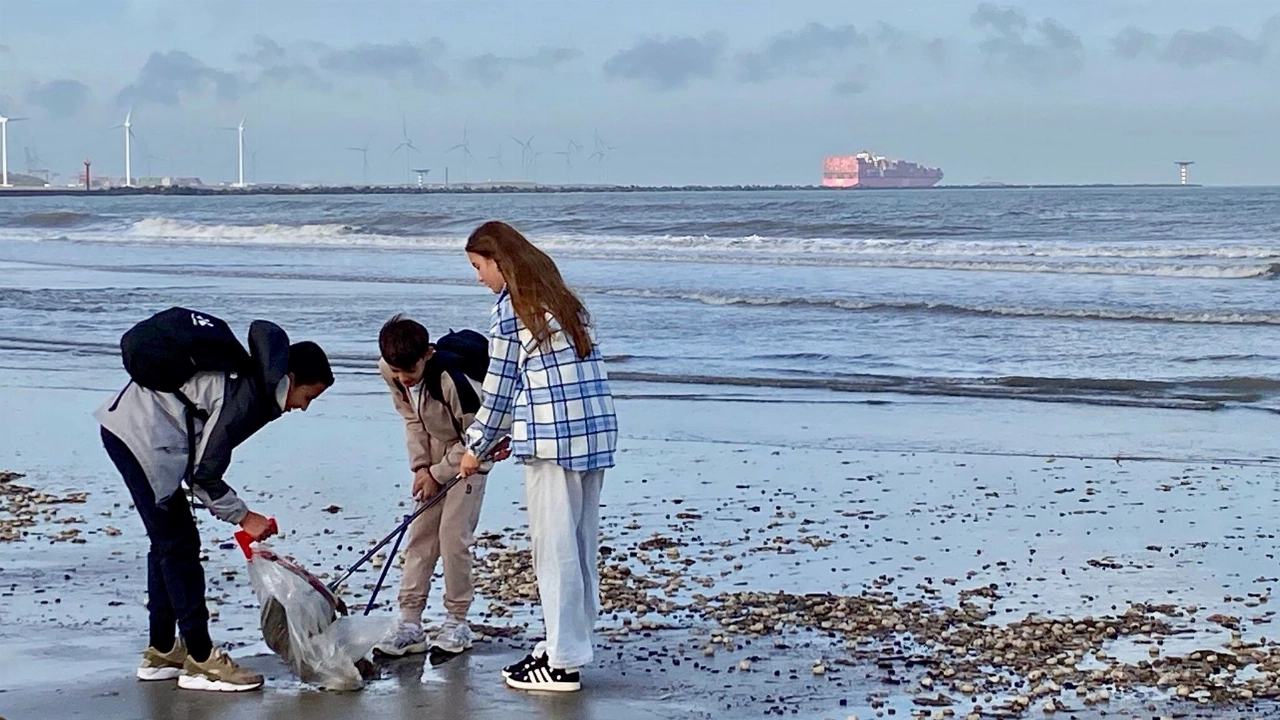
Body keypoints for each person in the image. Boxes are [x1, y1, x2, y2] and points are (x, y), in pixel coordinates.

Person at [96, 318, 333, 692]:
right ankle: (202, 659)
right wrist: (245, 517)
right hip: (139, 438)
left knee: (170, 543)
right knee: (178, 547)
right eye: (308, 397)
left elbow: (201, 461)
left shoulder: (247, 383)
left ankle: (161, 652)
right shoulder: (248, 397)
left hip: (130, 428)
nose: (302, 408)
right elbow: (204, 476)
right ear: (289, 379)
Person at [457, 220, 618, 693]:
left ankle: (563, 661)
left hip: (554, 442)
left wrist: (476, 447)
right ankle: (563, 644)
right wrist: (511, 434)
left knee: (555, 551)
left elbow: (500, 388)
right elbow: (555, 378)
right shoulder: (564, 301)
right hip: (594, 435)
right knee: (580, 544)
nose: (478, 277)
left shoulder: (511, 310)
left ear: (499, 262)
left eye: (478, 266)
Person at [372, 315, 510, 657]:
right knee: (420, 533)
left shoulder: (453, 382)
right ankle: (409, 621)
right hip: (434, 447)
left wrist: (439, 472)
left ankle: (457, 621)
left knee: (453, 537)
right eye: (397, 371)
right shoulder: (390, 371)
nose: (404, 378)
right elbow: (412, 419)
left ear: (428, 354)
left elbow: (483, 434)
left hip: (473, 452)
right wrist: (421, 468)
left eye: (410, 371)